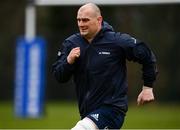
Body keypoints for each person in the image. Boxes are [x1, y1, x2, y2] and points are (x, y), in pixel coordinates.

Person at [52, 3, 158, 130]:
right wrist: (68, 62)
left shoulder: (116, 41)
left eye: (85, 20)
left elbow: (146, 54)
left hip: (112, 110)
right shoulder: (71, 43)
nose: (81, 24)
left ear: (99, 20)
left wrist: (147, 87)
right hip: (87, 112)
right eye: (78, 20)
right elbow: (59, 76)